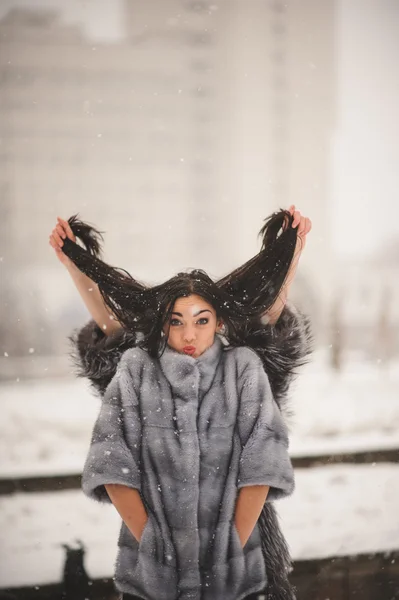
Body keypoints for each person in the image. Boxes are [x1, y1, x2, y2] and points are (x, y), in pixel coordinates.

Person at [49, 207, 312, 600]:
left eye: (202, 320)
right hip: (154, 580)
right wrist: (155, 547)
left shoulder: (246, 368)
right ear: (162, 324)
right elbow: (111, 461)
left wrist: (289, 254)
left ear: (219, 322)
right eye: (176, 320)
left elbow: (263, 461)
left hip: (246, 570)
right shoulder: (137, 370)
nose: (189, 333)